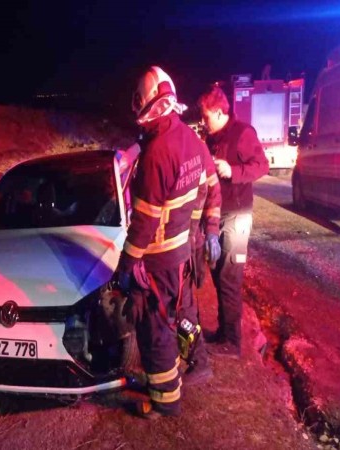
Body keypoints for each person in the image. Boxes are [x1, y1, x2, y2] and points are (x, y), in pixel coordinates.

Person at [115, 66, 205, 418]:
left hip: (157, 258)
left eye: (138, 101)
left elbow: (144, 221)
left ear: (148, 103)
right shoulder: (188, 138)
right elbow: (202, 187)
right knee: (169, 321)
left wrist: (127, 263)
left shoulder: (157, 153)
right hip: (179, 253)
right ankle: (173, 381)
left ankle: (165, 401)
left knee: (155, 329)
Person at [197, 85, 269, 359]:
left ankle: (232, 342)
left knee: (229, 276)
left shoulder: (243, 133)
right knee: (218, 273)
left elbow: (262, 165)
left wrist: (233, 170)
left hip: (237, 215)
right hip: (218, 215)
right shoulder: (211, 138)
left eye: (206, 116)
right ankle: (224, 332)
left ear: (219, 112)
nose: (203, 121)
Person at [178, 141, 221, 385]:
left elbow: (213, 191)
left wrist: (213, 232)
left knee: (183, 305)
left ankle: (199, 360)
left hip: (185, 244)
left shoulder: (194, 148)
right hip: (182, 243)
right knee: (183, 304)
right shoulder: (161, 146)